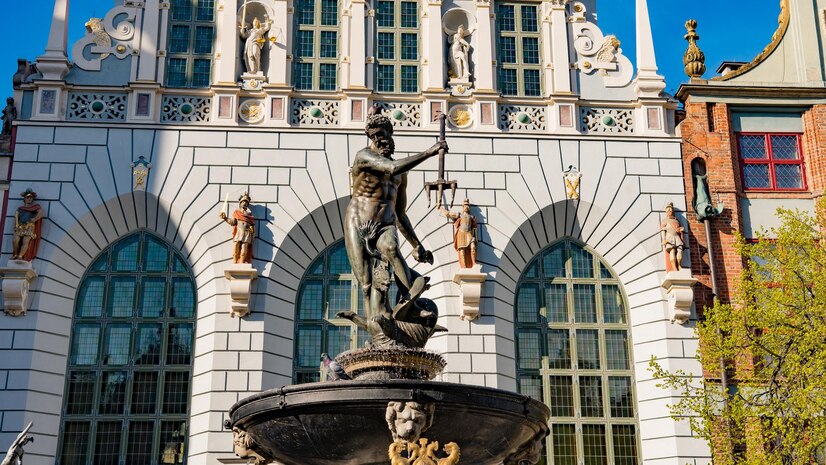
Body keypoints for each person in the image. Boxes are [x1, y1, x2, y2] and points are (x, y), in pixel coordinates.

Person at [344, 107, 447, 320]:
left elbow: (400, 213)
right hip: (358, 222)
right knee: (366, 282)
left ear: (390, 134)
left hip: (385, 223)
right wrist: (429, 152)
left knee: (391, 248)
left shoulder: (401, 174)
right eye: (374, 136)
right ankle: (376, 325)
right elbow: (390, 168)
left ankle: (412, 304)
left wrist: (416, 244)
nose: (378, 139)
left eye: (382, 134)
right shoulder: (363, 156)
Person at [439, 199, 478, 268]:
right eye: (465, 206)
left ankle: (474, 263)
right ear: (463, 207)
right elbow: (448, 214)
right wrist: (441, 208)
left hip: (469, 233)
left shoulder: (472, 217)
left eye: (468, 206)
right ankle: (464, 266)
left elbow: (474, 228)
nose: (467, 207)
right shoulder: (459, 215)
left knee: (473, 247)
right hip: (461, 233)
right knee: (462, 250)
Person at [219, 192, 255, 264]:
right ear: (240, 203)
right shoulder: (237, 213)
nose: (245, 204)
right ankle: (235, 261)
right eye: (243, 202)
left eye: (246, 202)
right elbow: (233, 222)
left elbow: (252, 226)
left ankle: (242, 262)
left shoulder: (249, 215)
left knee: (244, 248)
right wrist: (225, 218)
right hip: (239, 231)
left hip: (247, 232)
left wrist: (252, 234)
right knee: (236, 245)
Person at [11, 189, 44, 262]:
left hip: (29, 226)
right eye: (27, 197)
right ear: (24, 198)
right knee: (15, 240)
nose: (29, 199)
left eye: (31, 197)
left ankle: (20, 256)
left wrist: (34, 219)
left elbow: (41, 213)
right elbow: (16, 216)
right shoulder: (20, 208)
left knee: (25, 241)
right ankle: (16, 254)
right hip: (19, 226)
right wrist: (16, 225)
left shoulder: (35, 207)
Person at [660, 202, 685, 272]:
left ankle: (679, 265)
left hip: (677, 237)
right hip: (670, 237)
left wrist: (681, 230)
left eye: (671, 210)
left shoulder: (676, 220)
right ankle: (674, 267)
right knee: (672, 251)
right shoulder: (665, 221)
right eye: (668, 210)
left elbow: (678, 229)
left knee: (680, 250)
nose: (670, 211)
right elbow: (663, 230)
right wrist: (664, 239)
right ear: (666, 212)